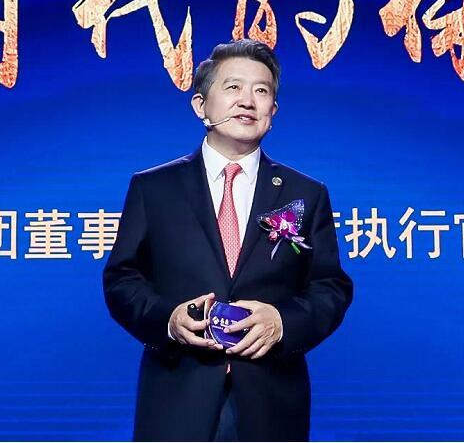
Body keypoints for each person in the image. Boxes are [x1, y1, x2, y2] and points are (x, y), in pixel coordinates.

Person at [103, 39, 353, 442]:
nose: (247, 101)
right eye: (233, 87)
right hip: (178, 395)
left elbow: (330, 287)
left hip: (271, 400)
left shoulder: (305, 194)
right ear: (201, 106)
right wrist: (168, 320)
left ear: (273, 112)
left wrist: (281, 323)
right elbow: (122, 279)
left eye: (261, 90)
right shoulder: (154, 188)